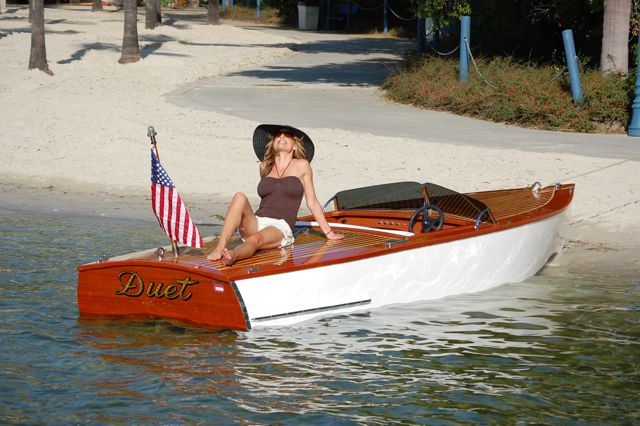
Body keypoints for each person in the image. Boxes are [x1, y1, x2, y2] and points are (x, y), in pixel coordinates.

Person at [208, 124, 343, 265]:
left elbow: (312, 202)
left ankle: (233, 255)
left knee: (255, 239)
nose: (282, 136)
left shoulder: (302, 165)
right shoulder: (265, 166)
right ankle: (220, 247)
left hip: (280, 225)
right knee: (239, 196)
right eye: (278, 135)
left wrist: (329, 233)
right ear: (272, 143)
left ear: (295, 146)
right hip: (257, 220)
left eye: (287, 135)